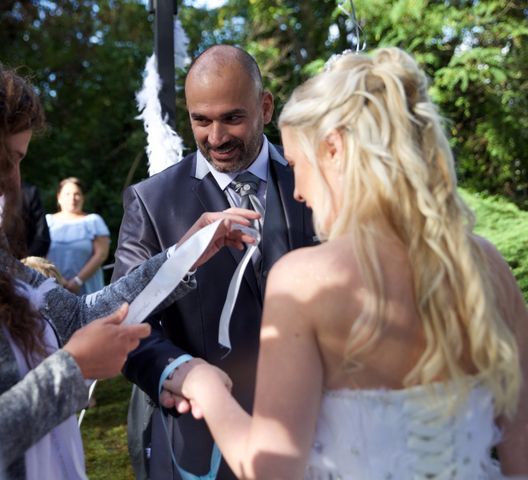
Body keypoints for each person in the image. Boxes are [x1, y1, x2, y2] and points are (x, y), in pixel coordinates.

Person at [0, 52, 258, 480]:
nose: (14, 181)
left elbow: (80, 315)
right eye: (6, 158)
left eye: (19, 160)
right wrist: (72, 371)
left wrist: (186, 254)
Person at [164, 47, 528, 479]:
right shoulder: (485, 264)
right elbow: (520, 446)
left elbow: (271, 470)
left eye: (297, 164)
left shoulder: (305, 281)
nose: (297, 190)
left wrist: (205, 389)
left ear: (333, 149)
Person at [112, 44, 317, 479]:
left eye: (232, 118)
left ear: (264, 106)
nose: (216, 137)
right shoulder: (151, 202)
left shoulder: (316, 178)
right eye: (200, 120)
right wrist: (177, 371)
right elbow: (125, 321)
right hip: (202, 438)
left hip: (319, 427)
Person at [47, 177, 111, 294]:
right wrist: (60, 280)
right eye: (67, 194)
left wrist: (77, 281)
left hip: (88, 289)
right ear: (59, 197)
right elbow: (38, 254)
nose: (72, 198)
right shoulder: (47, 221)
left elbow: (101, 254)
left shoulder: (93, 221)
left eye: (77, 194)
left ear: (83, 198)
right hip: (53, 288)